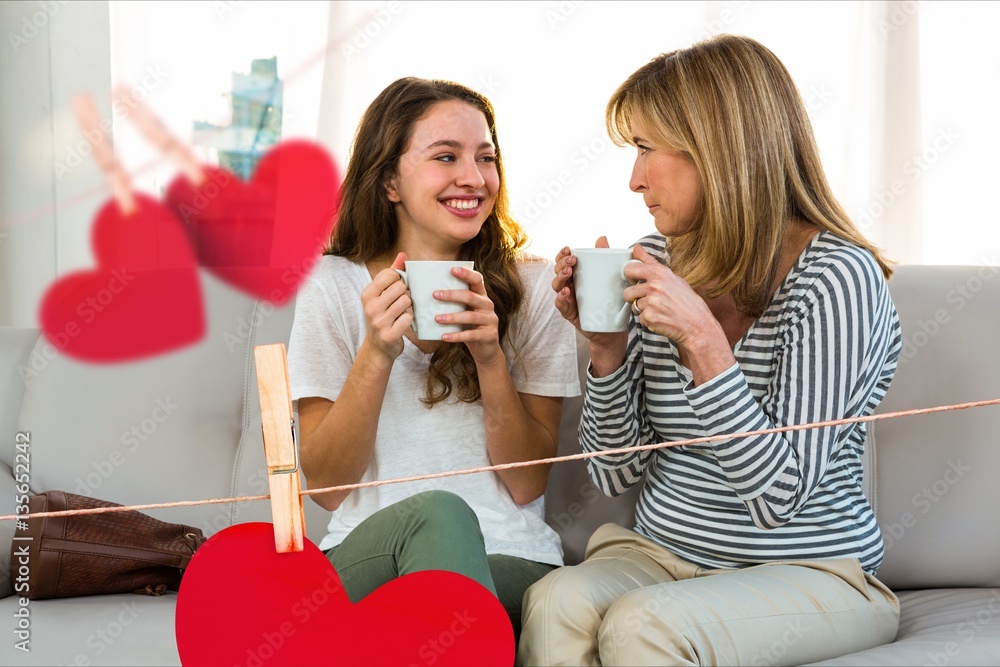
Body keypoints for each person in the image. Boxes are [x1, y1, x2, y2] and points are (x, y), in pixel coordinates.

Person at [518, 35, 903, 666]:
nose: (634, 178)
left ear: (718, 150)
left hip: (810, 571)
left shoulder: (836, 278)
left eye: (645, 148)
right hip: (662, 555)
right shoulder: (660, 258)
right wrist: (608, 350)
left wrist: (703, 342)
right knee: (556, 600)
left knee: (645, 625)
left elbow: (777, 499)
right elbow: (615, 473)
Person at [286, 77, 580, 641]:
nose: (474, 178)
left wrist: (490, 359)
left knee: (451, 595)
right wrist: (376, 354)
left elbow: (527, 485)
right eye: (446, 156)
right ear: (391, 180)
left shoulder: (535, 287)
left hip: (508, 558)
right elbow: (326, 486)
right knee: (438, 515)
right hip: (369, 555)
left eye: (486, 158)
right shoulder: (331, 285)